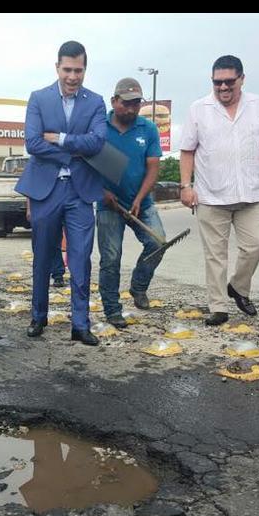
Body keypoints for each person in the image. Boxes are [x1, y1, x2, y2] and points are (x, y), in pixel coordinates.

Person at [179, 55, 259, 326]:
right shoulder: (198, 109)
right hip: (211, 196)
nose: (223, 88)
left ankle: (238, 286)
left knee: (256, 245)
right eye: (217, 83)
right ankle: (218, 307)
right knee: (215, 255)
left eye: (229, 82)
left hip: (250, 193)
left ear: (242, 79)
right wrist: (185, 186)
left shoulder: (257, 105)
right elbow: (187, 150)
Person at [15, 40, 107, 346]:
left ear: (85, 69)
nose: (72, 76)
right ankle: (38, 316)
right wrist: (72, 152)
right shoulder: (39, 98)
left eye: (78, 70)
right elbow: (33, 143)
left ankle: (80, 325)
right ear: (57, 67)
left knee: (81, 259)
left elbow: (97, 143)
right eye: (67, 69)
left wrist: (62, 138)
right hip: (46, 191)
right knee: (43, 257)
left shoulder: (95, 102)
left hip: (80, 193)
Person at [96, 77, 164, 328]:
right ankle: (112, 310)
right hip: (108, 205)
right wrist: (100, 191)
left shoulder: (148, 129)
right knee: (111, 259)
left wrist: (138, 199)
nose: (132, 109)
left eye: (136, 103)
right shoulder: (99, 127)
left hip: (141, 203)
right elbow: (85, 163)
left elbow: (153, 168)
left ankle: (138, 287)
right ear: (114, 101)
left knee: (157, 243)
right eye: (127, 103)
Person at [26, 197, 66, 287]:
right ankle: (40, 274)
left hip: (56, 205)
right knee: (38, 244)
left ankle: (58, 274)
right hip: (39, 208)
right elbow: (29, 189)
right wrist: (29, 209)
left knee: (55, 241)